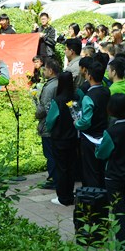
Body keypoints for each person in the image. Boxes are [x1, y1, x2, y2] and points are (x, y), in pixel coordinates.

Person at [95, 93, 125, 244]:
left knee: (118, 211)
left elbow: (101, 154)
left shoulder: (110, 132)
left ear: (110, 110)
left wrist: (97, 146)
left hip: (114, 177)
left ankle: (121, 244)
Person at [75, 61, 110, 187]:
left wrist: (76, 123)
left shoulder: (88, 97)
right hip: (104, 135)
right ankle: (103, 193)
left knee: (90, 169)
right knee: (102, 168)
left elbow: (85, 121)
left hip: (90, 138)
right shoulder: (106, 91)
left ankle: (92, 195)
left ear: (89, 76)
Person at [46, 71, 78, 206]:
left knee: (61, 168)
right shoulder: (76, 98)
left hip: (59, 139)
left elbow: (50, 121)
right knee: (71, 167)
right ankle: (70, 194)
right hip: (73, 138)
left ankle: (62, 197)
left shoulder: (58, 100)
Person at [34, 58, 60, 189]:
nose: (43, 71)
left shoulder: (50, 87)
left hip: (48, 125)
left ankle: (53, 179)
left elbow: (44, 107)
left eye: (45, 69)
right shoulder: (58, 83)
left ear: (50, 71)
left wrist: (36, 113)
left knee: (50, 154)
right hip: (56, 124)